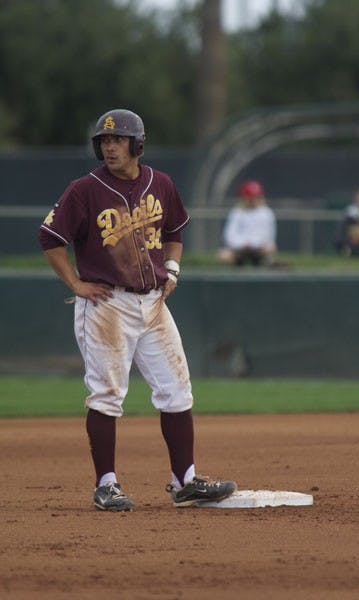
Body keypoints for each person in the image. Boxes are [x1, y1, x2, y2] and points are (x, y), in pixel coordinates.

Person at [39, 108, 236, 511]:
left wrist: (174, 269)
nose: (110, 147)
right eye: (104, 141)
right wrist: (75, 283)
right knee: (107, 394)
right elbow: (50, 237)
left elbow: (175, 230)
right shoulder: (85, 189)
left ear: (137, 144)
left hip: (154, 302)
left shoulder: (159, 183)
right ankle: (106, 485)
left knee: (177, 390)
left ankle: (185, 482)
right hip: (107, 303)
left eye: (118, 140)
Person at [218, 180, 277, 266]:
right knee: (224, 255)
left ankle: (263, 264)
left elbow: (267, 236)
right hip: (239, 249)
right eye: (250, 197)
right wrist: (243, 244)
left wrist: (253, 244)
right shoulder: (237, 212)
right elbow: (229, 235)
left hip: (259, 249)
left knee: (270, 248)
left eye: (255, 197)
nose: (252, 200)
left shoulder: (266, 213)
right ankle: (237, 265)